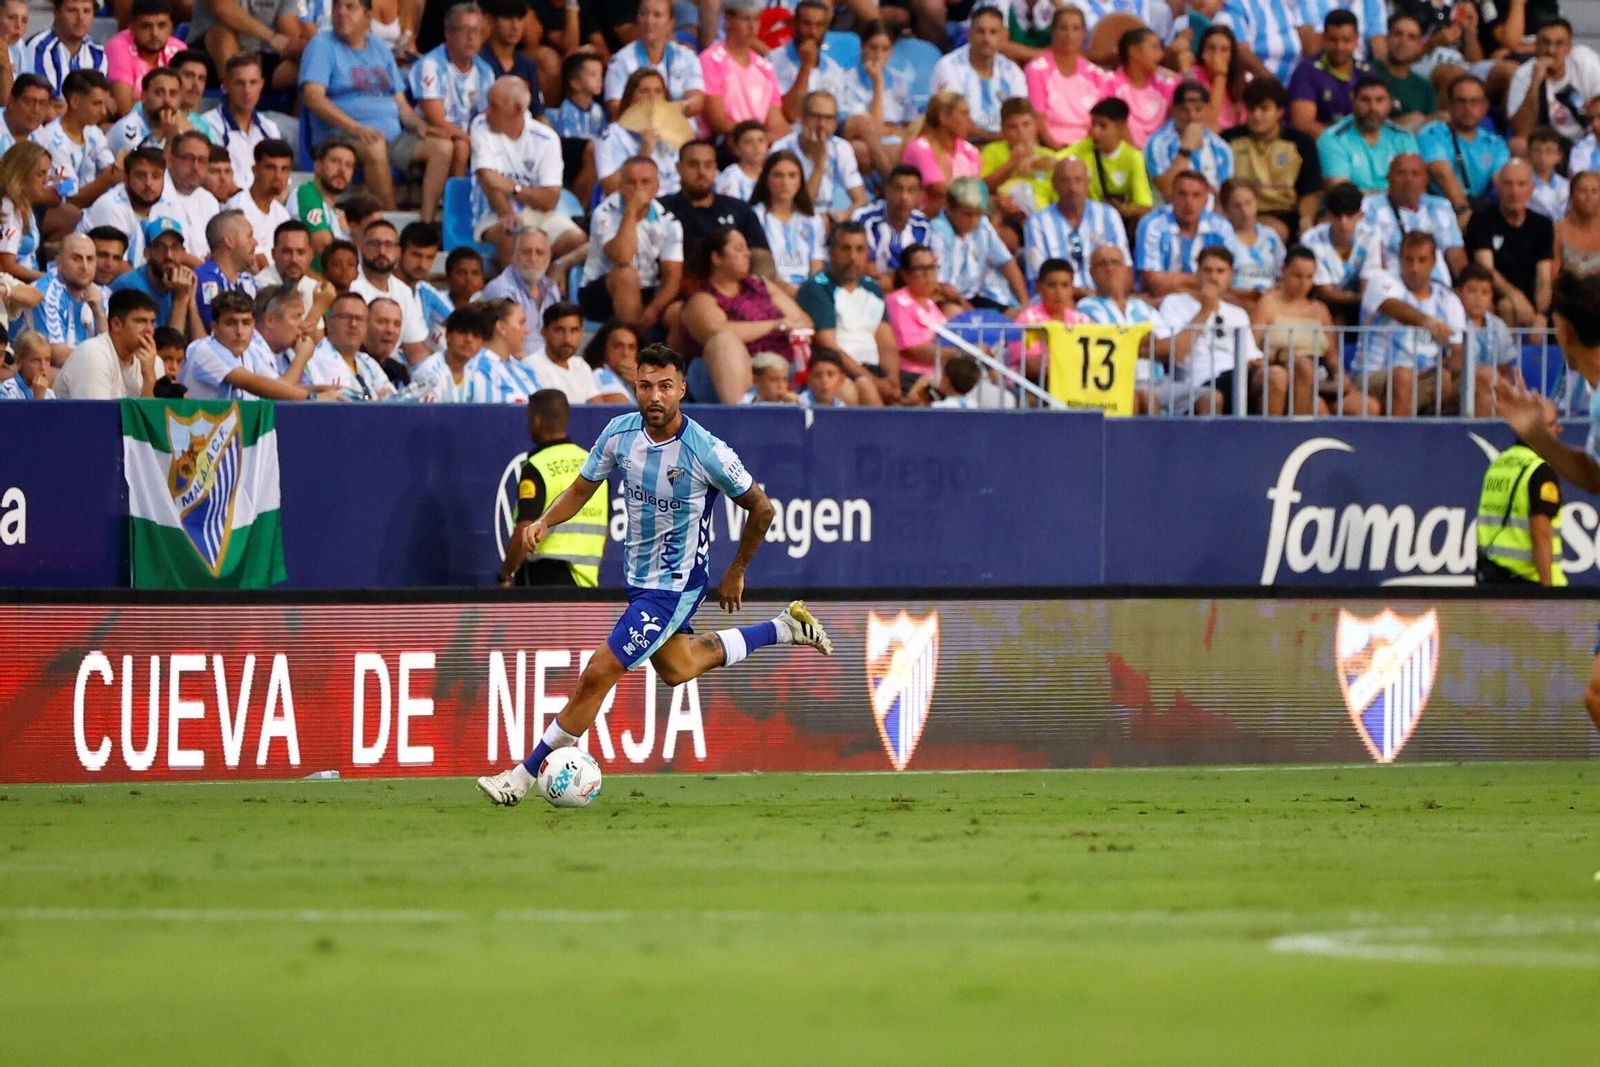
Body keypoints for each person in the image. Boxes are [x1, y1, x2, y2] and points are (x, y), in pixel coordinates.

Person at [475, 342, 833, 807]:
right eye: (645, 386)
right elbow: (582, 488)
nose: (655, 396)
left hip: (676, 585)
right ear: (636, 388)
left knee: (598, 673)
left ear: (682, 389)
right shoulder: (619, 434)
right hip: (640, 581)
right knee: (677, 667)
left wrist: (736, 571)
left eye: (665, 386)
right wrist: (544, 520)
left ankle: (519, 778)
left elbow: (761, 509)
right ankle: (785, 627)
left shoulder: (706, 450)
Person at [300, 0, 451, 213]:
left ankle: (425, 221)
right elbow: (313, 98)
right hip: (340, 136)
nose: (341, 12)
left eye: (350, 7)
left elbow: (401, 104)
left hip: (390, 136)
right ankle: (391, 219)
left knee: (442, 147)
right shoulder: (321, 45)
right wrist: (356, 128)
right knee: (375, 146)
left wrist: (420, 127)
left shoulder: (379, 47)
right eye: (337, 7)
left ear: (368, 16)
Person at [498, 387, 611, 587]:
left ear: (536, 420)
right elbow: (605, 528)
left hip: (545, 581)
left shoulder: (537, 466)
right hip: (587, 584)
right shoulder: (593, 465)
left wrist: (506, 573)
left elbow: (526, 527)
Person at [682, 226, 809, 403]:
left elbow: (803, 322)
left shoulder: (760, 285)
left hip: (784, 369)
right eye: (739, 249)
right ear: (717, 258)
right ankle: (744, 411)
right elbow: (719, 331)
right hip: (732, 373)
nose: (747, 254)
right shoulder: (702, 299)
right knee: (724, 341)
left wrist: (784, 325)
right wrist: (775, 325)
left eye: (747, 248)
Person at [469, 75, 584, 271]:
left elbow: (550, 199)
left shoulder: (546, 138)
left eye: (494, 106)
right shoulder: (481, 125)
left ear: (517, 109)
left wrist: (513, 188)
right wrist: (507, 213)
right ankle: (514, 297)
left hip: (541, 215)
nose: (486, 112)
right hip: (493, 214)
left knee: (578, 241)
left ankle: (552, 278)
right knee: (511, 239)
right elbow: (488, 179)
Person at [1156, 244, 1282, 414]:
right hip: (1200, 381)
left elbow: (1251, 356)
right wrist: (1206, 310)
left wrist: (1258, 363)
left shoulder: (1238, 313)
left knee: (1276, 376)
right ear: (1197, 273)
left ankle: (1272, 437)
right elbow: (1175, 354)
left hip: (1238, 376)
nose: (1213, 277)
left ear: (1230, 275)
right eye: (1207, 270)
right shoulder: (1175, 303)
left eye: (1220, 271)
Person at [1357, 230, 1466, 415]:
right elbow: (1391, 306)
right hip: (1374, 375)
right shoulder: (1382, 281)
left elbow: (1458, 350)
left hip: (1426, 376)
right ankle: (1401, 443)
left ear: (1433, 263)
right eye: (1408, 260)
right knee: (1403, 375)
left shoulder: (1447, 299)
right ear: (1399, 260)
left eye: (1422, 260)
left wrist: (1448, 369)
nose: (1414, 267)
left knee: (1482, 376)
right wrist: (1426, 321)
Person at [797, 221, 900, 406]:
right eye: (845, 249)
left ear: (868, 253)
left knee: (927, 386)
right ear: (831, 252)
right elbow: (830, 347)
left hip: (874, 369)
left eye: (859, 249)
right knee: (865, 386)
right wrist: (877, 383)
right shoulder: (817, 287)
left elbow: (886, 344)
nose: (853, 257)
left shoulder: (873, 288)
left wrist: (893, 381)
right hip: (842, 371)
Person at [578, 156, 684, 330]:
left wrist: (654, 308)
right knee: (626, 274)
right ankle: (636, 348)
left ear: (657, 187)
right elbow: (623, 258)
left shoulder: (669, 221)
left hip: (647, 288)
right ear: (620, 185)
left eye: (645, 182)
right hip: (601, 291)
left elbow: (672, 277)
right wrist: (631, 212)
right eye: (631, 182)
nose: (638, 189)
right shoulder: (605, 212)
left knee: (678, 313)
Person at [409, 1, 494, 201]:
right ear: (448, 34)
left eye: (476, 31)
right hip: (427, 134)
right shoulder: (431, 64)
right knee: (461, 146)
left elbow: (485, 117)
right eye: (464, 30)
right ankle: (455, 205)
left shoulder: (485, 71)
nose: (471, 38)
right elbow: (436, 120)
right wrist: (472, 139)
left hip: (465, 136)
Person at [178, 289, 327, 399]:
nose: (239, 331)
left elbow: (280, 386)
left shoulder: (249, 352)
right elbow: (256, 384)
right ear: (215, 327)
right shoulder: (205, 349)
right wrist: (313, 398)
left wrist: (327, 391)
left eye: (246, 323)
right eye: (230, 323)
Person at [1222, 77, 1321, 242]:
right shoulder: (1229, 140)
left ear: (1280, 112)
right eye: (1252, 109)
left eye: (1264, 109)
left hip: (1283, 213)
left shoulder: (1301, 143)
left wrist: (1306, 220)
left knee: (1275, 231)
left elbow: (1310, 193)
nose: (1256, 115)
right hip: (1237, 211)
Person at [1250, 244, 1343, 415]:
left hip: (1319, 375)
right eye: (1297, 276)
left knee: (1364, 405)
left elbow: (1332, 355)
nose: (1303, 283)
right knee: (1297, 369)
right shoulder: (1267, 304)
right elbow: (1252, 349)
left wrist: (1340, 374)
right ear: (1284, 271)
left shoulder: (1320, 310)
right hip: (1276, 369)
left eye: (1309, 277)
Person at [659, 139, 772, 276]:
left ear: (715, 168)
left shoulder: (739, 209)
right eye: (693, 165)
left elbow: (761, 255)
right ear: (679, 168)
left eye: (708, 165)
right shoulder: (661, 210)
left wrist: (756, 287)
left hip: (737, 289)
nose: (701, 172)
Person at [1464, 159, 1554, 330]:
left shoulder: (1543, 225)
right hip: (1491, 294)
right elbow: (1486, 268)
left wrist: (1542, 315)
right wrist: (1515, 296)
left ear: (1532, 188)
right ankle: (1506, 357)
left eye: (1521, 184)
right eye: (1508, 184)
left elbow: (1544, 279)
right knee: (1507, 306)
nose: (1515, 191)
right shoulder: (1481, 219)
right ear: (1498, 187)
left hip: (1529, 295)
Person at [1023, 156, 1129, 294]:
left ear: (1088, 183)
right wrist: (1082, 293)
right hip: (1057, 302)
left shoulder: (1109, 216)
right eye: (1065, 181)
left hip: (1104, 298)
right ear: (1054, 184)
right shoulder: (1037, 223)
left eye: (1078, 180)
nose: (1072, 188)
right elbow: (1038, 278)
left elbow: (1125, 269)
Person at [1362, 153, 1466, 287]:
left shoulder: (1440, 206)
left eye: (1415, 174)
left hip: (1440, 292)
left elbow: (1456, 256)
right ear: (1389, 178)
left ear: (1426, 180)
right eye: (1401, 173)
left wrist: (1466, 289)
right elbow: (1372, 260)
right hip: (1395, 291)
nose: (1408, 180)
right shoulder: (1371, 206)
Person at [930, 5, 1028, 143]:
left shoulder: (1012, 72)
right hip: (962, 143)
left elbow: (1022, 118)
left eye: (993, 32)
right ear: (969, 35)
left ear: (1002, 37)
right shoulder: (948, 67)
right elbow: (955, 123)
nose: (986, 38)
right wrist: (1000, 137)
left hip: (1006, 145)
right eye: (980, 31)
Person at [930, 176, 1028, 312]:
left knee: (1019, 316)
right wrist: (970, 311)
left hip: (976, 295)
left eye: (977, 214)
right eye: (967, 214)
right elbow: (941, 283)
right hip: (948, 299)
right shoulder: (938, 230)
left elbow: (1007, 262)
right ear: (951, 209)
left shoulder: (982, 223)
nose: (973, 220)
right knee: (955, 313)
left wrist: (1025, 303)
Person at [1418, 74, 1510, 217]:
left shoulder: (1495, 143)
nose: (1468, 108)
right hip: (1439, 209)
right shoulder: (1433, 133)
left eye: (1475, 102)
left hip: (1479, 209)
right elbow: (1442, 173)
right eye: (1461, 101)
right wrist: (1464, 212)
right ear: (1449, 105)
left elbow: (1503, 182)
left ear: (1485, 107)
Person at [770, 90, 867, 223]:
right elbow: (801, 208)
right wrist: (819, 164)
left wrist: (843, 215)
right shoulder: (782, 149)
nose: (822, 125)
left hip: (831, 223)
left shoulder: (842, 148)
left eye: (828, 118)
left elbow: (861, 200)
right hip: (794, 221)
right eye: (815, 116)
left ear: (835, 123)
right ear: (802, 118)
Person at [1134, 169, 1232, 297]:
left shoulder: (1221, 227)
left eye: (1196, 195)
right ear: (1172, 196)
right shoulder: (1152, 224)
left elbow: (1229, 279)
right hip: (1160, 301)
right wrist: (1206, 281)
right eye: (1182, 194)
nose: (1189, 202)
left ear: (1206, 200)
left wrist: (1175, 281)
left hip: (1211, 299)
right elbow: (1154, 281)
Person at [1024, 6, 1110, 151]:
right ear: (1053, 32)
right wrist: (1061, 153)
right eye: (1063, 28)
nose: (1069, 35)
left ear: (1084, 34)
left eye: (1075, 28)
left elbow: (1102, 121)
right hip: (1050, 148)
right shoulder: (1036, 70)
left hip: (1089, 149)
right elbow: (1038, 122)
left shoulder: (1097, 74)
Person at [700, 0, 787, 139]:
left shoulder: (765, 67)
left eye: (756, 19)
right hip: (725, 142)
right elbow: (716, 119)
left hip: (760, 142)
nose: (752, 27)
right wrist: (753, 137)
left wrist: (762, 139)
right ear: (728, 21)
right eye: (745, 19)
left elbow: (777, 121)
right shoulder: (711, 59)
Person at [603, 0, 704, 120]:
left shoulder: (687, 57)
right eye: (643, 14)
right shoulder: (621, 60)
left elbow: (697, 100)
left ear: (670, 23)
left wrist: (674, 109)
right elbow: (615, 106)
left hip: (680, 131)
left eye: (657, 15)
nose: (649, 21)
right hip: (635, 132)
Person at [349, 218, 431, 364]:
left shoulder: (403, 291)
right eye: (374, 244)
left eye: (388, 245)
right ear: (361, 247)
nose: (381, 251)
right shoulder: (350, 286)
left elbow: (415, 350)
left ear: (399, 252)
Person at [1063, 96, 1153, 229]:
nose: (1095, 131)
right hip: (1087, 219)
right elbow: (1056, 160)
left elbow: (1144, 206)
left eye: (1103, 126)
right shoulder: (1085, 146)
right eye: (1093, 124)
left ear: (1121, 128)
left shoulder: (1133, 157)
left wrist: (1126, 211)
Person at [52, 288, 159, 398]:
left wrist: (149, 377)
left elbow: (155, 415)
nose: (149, 329)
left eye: (152, 322)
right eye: (141, 321)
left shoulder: (153, 363)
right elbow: (96, 413)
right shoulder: (92, 354)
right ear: (116, 324)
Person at [1318, 77, 1419, 193]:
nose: (1373, 108)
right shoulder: (1333, 139)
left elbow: (1416, 186)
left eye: (1380, 100)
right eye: (1365, 100)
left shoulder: (1404, 137)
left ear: (1390, 104)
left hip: (1399, 208)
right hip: (1354, 208)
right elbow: (1341, 191)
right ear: (1353, 102)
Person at [1507, 17, 1600, 144]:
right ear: (1535, 46)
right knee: (1517, 144)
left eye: (1559, 43)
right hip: (1547, 146)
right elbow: (1522, 131)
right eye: (1545, 43)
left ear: (1569, 47)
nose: (1551, 50)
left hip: (1588, 137)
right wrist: (1535, 83)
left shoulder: (1585, 60)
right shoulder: (1524, 74)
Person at [35, 70, 118, 210]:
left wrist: (114, 172)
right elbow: (72, 199)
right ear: (75, 101)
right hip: (65, 215)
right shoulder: (52, 139)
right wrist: (108, 177)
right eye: (97, 104)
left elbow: (112, 170)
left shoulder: (94, 133)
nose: (104, 112)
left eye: (104, 104)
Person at [199, 53, 286, 185]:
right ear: (226, 85)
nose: (247, 91)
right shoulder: (207, 125)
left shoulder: (270, 129)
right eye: (240, 83)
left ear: (261, 85)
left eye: (253, 83)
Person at [595, 68, 684, 197]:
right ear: (630, 100)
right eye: (645, 91)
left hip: (678, 205)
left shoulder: (677, 132)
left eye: (658, 91)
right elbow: (610, 187)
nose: (652, 98)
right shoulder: (612, 135)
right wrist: (644, 152)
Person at [109, 216, 201, 337]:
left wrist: (191, 301)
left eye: (175, 247)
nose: (169, 255)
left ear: (183, 252)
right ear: (147, 253)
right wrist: (180, 300)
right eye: (161, 247)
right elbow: (168, 349)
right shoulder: (130, 286)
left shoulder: (182, 283)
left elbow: (200, 347)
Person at [1302, 180, 1381, 320]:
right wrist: (1361, 298)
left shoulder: (1371, 237)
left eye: (1349, 216)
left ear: (1360, 215)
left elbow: (1367, 284)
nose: (1344, 223)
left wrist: (1365, 299)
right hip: (1325, 304)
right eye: (1338, 216)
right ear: (1328, 215)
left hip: (1360, 305)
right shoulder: (1311, 240)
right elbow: (1325, 292)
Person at [1288, 9, 1373, 138]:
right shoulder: (1307, 70)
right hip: (1319, 148)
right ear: (1323, 38)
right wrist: (1343, 143)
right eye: (1333, 40)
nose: (1339, 47)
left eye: (1346, 40)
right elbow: (1303, 124)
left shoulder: (1366, 72)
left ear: (1356, 40)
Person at [751, 150, 826, 293]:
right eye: (778, 175)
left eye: (792, 176)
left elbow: (817, 264)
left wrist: (810, 293)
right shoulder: (755, 216)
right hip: (768, 290)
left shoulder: (813, 220)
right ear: (766, 179)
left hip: (806, 292)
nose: (785, 182)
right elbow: (758, 268)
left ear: (800, 182)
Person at [1146, 81, 1234, 201]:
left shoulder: (1222, 148)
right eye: (1185, 110)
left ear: (1208, 110)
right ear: (1174, 111)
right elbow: (1167, 191)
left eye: (1198, 110)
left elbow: (1225, 198)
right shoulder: (1157, 144)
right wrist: (1186, 149)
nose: (1192, 116)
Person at [851, 165, 933, 289]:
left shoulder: (922, 225)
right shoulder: (865, 219)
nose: (904, 197)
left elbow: (922, 271)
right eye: (898, 189)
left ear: (920, 195)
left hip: (906, 291)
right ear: (887, 190)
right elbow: (868, 271)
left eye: (911, 190)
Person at [982, 97, 1063, 220]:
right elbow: (983, 188)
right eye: (1013, 127)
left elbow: (1059, 197)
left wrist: (1035, 162)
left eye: (1026, 124)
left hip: (1043, 214)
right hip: (1007, 214)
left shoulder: (1048, 155)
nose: (1021, 132)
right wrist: (1012, 164)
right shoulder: (992, 151)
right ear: (1003, 130)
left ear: (1036, 126)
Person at [305, 290, 394, 399]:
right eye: (345, 317)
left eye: (359, 319)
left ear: (366, 326)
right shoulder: (313, 359)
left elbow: (391, 394)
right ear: (329, 323)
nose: (353, 324)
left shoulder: (368, 362)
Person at [772, 0, 850, 123]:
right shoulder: (773, 61)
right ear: (795, 24)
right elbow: (791, 113)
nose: (812, 32)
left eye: (819, 25)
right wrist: (806, 66)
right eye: (807, 24)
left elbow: (840, 118)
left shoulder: (834, 70)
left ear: (826, 28)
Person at [1457, 261, 1518, 413]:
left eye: (1485, 293)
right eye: (1472, 291)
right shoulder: (1454, 321)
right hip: (1459, 386)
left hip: (1492, 387)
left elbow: (1505, 368)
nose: (1478, 298)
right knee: (1486, 380)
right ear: (1458, 292)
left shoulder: (1498, 326)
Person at [32, 233, 103, 363]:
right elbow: (58, 355)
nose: (85, 267)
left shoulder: (97, 293)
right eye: (76, 259)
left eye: (90, 259)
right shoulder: (47, 293)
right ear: (58, 261)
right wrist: (101, 362)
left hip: (82, 368)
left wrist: (99, 314)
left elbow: (109, 346)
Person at [1105, 25, 1179, 150]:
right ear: (1134, 51)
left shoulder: (1166, 83)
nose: (1161, 54)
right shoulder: (1109, 84)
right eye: (1154, 47)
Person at [106, 0, 185, 116]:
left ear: (171, 28)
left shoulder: (179, 49)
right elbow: (125, 109)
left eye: (161, 25)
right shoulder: (119, 47)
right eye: (146, 26)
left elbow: (189, 103)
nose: (155, 33)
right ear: (132, 28)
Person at [224, 139, 294, 267]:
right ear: (255, 170)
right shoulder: (238, 209)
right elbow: (255, 262)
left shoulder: (282, 214)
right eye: (271, 168)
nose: (278, 176)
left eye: (284, 169)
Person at [23, 0, 107, 99]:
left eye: (87, 11)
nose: (80, 18)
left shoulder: (97, 52)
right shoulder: (39, 47)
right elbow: (47, 104)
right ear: (57, 12)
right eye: (72, 10)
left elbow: (101, 100)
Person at [1220, 176, 1287, 299]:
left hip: (1270, 301)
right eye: (1236, 206)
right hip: (1235, 301)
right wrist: (1250, 295)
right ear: (1226, 210)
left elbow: (1284, 275)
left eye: (1248, 203)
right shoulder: (1222, 238)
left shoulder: (1270, 236)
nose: (1245, 211)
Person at [160, 130, 222, 262]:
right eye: (188, 158)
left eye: (202, 160)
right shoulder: (157, 194)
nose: (195, 167)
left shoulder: (209, 201)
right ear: (171, 161)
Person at [291, 138, 355, 263]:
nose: (342, 170)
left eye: (349, 165)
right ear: (318, 166)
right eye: (335, 161)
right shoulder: (307, 193)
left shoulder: (335, 213)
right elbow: (324, 246)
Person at [194, 209, 259, 330]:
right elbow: (218, 332)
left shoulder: (247, 281)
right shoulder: (207, 280)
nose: (255, 243)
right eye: (249, 236)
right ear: (230, 241)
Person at [1213, 0, 1303, 85]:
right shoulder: (1234, 6)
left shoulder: (1279, 4)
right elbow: (1241, 51)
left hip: (1292, 87)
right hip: (1258, 89)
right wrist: (1274, 86)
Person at [526, 301, 600, 403]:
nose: (567, 339)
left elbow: (597, 409)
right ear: (544, 332)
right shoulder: (530, 368)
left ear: (581, 333)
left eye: (574, 330)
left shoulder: (581, 365)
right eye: (560, 330)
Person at [1377, 13, 1438, 133]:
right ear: (1386, 38)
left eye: (1412, 37)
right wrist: (1403, 123)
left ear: (1419, 46)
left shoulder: (1425, 87)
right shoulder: (1367, 73)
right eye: (1398, 34)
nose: (1403, 42)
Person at [255, 219, 321, 317]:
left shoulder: (312, 286)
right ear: (274, 254)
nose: (294, 259)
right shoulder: (261, 285)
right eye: (286, 252)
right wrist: (319, 307)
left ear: (310, 255)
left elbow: (317, 332)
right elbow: (281, 331)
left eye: (301, 252)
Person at [1194, 24, 1250, 132]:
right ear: (1203, 52)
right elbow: (1208, 120)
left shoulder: (1239, 80)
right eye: (1211, 48)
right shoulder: (1192, 77)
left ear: (1231, 55)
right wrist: (1220, 75)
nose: (1217, 54)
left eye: (1224, 50)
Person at [1555, 171, 1600, 278]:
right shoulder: (1558, 231)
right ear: (1572, 196)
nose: (1589, 196)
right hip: (1569, 292)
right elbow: (1551, 278)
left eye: (1594, 191)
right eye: (1583, 191)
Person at [585, 318, 639, 403]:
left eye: (631, 347)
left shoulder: (634, 380)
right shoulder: (600, 374)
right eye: (618, 346)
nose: (626, 353)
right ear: (604, 349)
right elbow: (620, 405)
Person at [716, 120, 769, 202]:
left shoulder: (769, 174)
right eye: (748, 142)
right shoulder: (731, 176)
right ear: (736, 149)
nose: (756, 146)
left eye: (761, 140)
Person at [0, 75, 54, 155]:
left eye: (42, 103)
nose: (36, 110)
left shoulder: (40, 134)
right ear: (11, 100)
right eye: (29, 101)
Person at [1528, 125, 1569, 223]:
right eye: (1537, 151)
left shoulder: (1566, 186)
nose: (1542, 157)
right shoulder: (1524, 184)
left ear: (1559, 156)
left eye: (1549, 151)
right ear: (1529, 154)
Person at [0, 331, 55, 399]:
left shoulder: (49, 393)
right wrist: (38, 399)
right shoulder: (8, 391)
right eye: (36, 360)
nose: (43, 367)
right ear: (18, 361)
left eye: (47, 360)